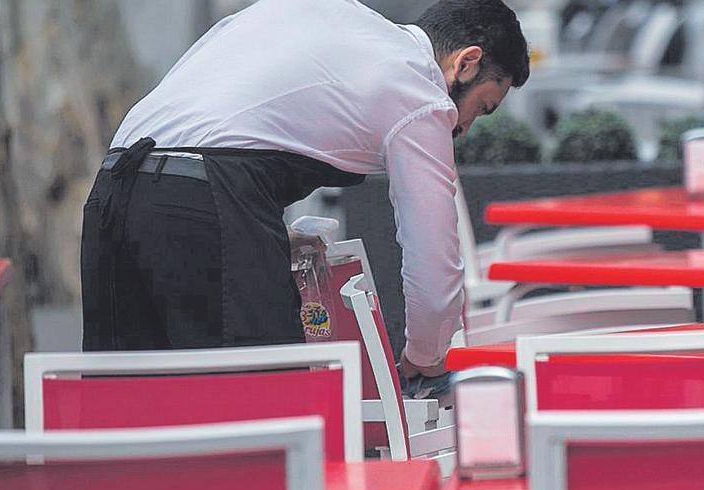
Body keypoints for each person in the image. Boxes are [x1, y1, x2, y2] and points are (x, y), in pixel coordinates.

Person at [81, 0, 529, 383]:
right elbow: (433, 260)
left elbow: (223, 127)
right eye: (481, 107)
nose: (465, 127)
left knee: (125, 416)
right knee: (265, 415)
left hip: (114, 191)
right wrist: (424, 359)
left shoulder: (336, 20)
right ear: (466, 62)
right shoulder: (418, 87)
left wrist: (258, 233)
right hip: (204, 201)